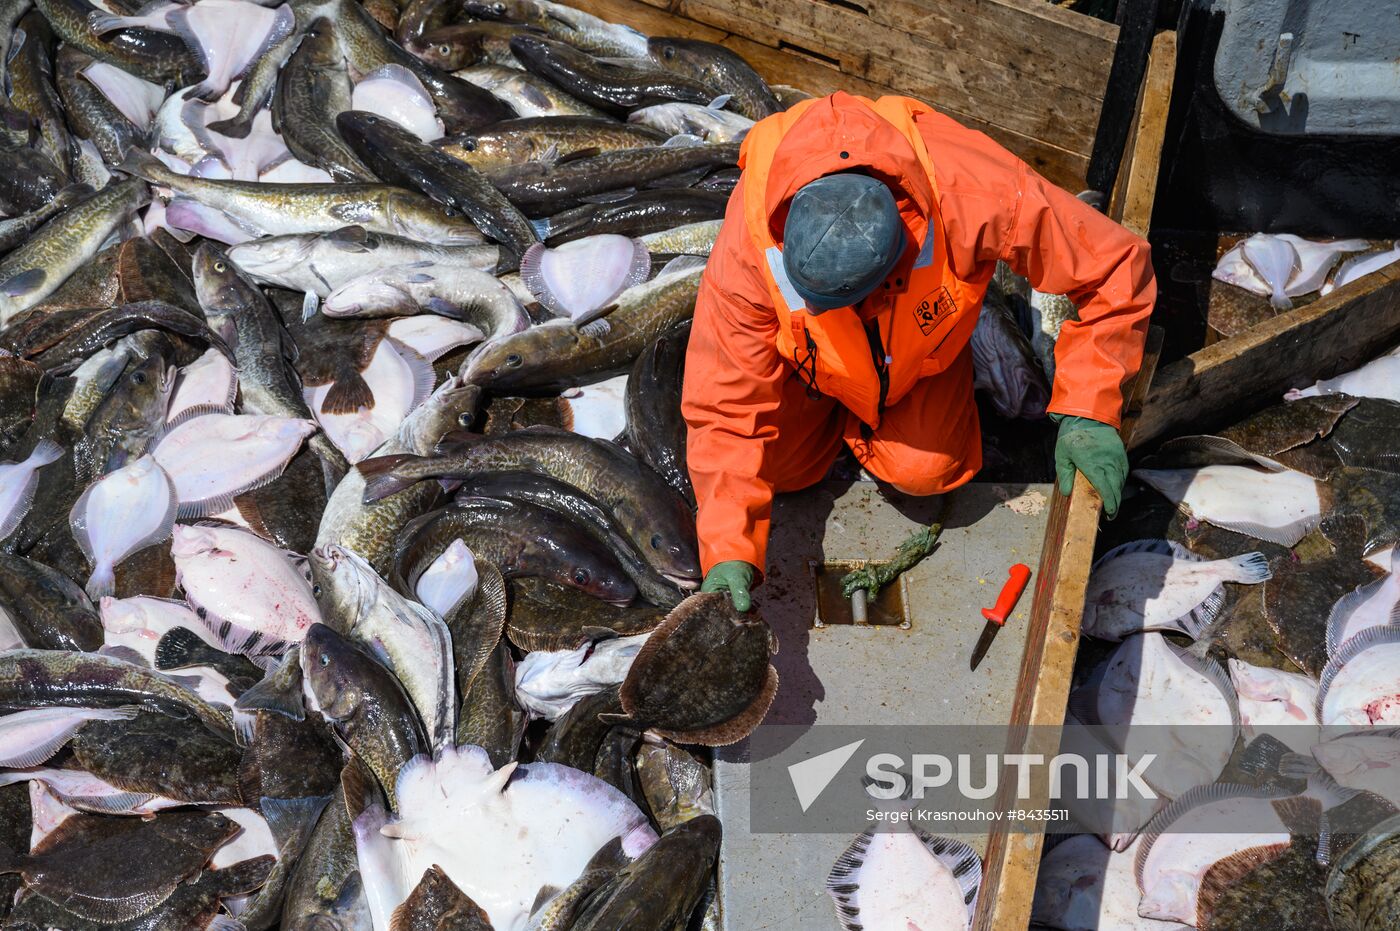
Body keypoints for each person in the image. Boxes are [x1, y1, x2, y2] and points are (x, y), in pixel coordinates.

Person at [682, 92, 1156, 612]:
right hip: (813, 370)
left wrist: (1089, 408)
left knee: (927, 473)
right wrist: (727, 552)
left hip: (920, 357)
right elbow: (725, 409)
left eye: (857, 303)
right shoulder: (746, 250)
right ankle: (837, 420)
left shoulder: (974, 190)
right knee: (778, 475)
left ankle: (907, 403)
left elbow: (1113, 268)